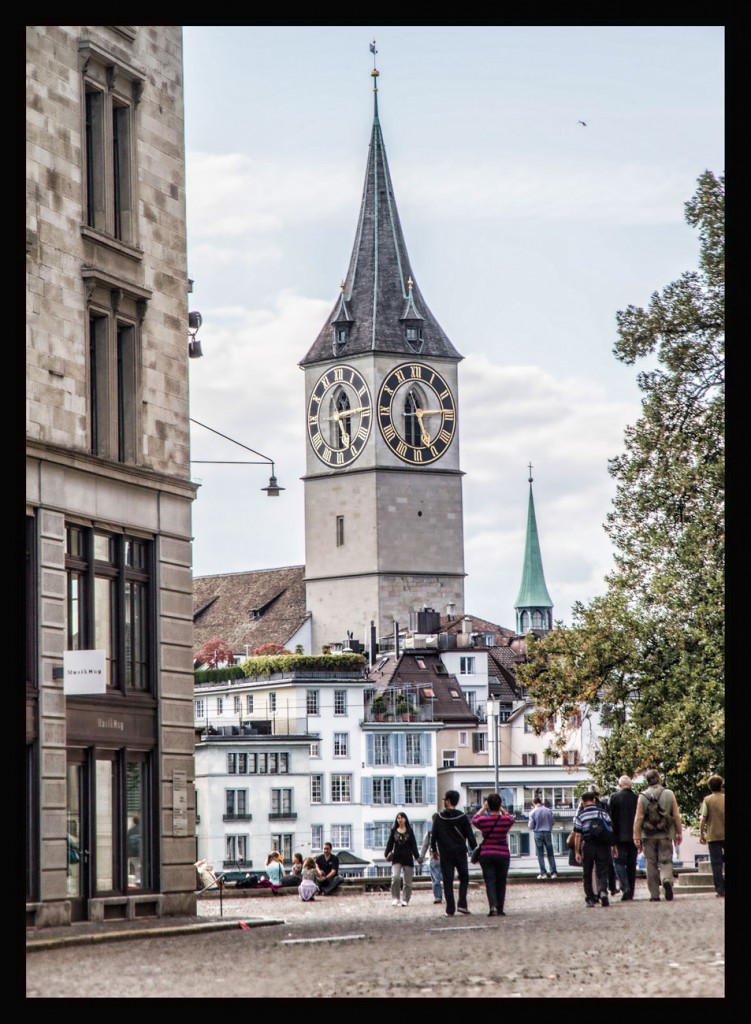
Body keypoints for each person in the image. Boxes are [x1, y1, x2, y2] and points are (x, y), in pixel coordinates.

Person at [633, 768, 682, 902]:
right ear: (659, 778)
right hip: (665, 833)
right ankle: (666, 879)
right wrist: (679, 832)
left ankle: (654, 894)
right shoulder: (669, 793)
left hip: (648, 834)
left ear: (647, 781)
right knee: (666, 860)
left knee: (651, 863)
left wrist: (636, 836)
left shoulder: (642, 796)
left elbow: (639, 817)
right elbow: (676, 815)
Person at [430, 789, 477, 917]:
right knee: (464, 877)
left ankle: (450, 908)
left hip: (445, 853)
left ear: (448, 801)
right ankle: (462, 904)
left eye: (445, 799)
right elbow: (470, 836)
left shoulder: (439, 817)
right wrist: (476, 851)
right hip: (460, 851)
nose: (444, 801)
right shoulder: (462, 817)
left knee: (447, 880)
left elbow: (433, 836)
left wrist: (434, 850)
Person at [472, 794, 515, 916]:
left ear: (488, 806)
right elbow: (511, 818)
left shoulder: (483, 821)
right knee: (501, 881)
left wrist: (483, 808)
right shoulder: (505, 820)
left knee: (490, 881)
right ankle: (500, 908)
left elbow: (474, 819)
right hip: (502, 853)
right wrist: (502, 809)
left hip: (487, 853)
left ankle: (493, 906)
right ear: (500, 804)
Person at [573, 791, 617, 907]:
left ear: (583, 803)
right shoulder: (603, 813)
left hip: (588, 845)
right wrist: (614, 846)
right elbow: (611, 830)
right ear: (594, 800)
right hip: (603, 845)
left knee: (587, 872)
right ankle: (603, 891)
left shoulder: (580, 816)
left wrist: (577, 851)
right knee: (603, 870)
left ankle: (590, 898)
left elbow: (577, 835)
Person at [608, 775, 638, 901]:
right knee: (632, 864)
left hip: (618, 836)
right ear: (631, 785)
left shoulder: (614, 797)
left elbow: (609, 819)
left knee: (618, 862)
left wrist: (612, 839)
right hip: (634, 836)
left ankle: (625, 887)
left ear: (619, 785)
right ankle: (630, 891)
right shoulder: (637, 798)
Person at [385, 811, 420, 906]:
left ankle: (405, 899)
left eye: (402, 818)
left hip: (408, 857)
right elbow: (390, 844)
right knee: (395, 877)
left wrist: (417, 856)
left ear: (405, 819)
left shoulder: (409, 831)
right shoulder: (393, 831)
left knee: (407, 881)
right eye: (398, 818)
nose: (400, 820)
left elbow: (413, 845)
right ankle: (396, 898)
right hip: (397, 857)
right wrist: (386, 854)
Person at [699, 774, 725, 897]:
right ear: (721, 785)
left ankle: (720, 889)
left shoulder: (707, 800)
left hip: (713, 835)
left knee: (716, 863)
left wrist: (701, 834)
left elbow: (703, 818)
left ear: (710, 787)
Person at [528, 797, 558, 879]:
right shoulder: (548, 811)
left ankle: (543, 873)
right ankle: (553, 873)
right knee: (550, 853)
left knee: (540, 854)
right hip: (547, 832)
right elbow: (552, 822)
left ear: (533, 803)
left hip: (538, 833)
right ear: (540, 802)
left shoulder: (532, 812)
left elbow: (530, 826)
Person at [418, 828, 443, 904]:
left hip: (435, 859)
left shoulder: (429, 834)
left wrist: (421, 857)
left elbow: (424, 846)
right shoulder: (445, 830)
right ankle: (445, 896)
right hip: (440, 859)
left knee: (436, 879)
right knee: (442, 879)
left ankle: (438, 897)